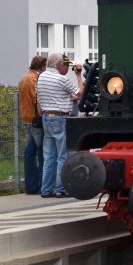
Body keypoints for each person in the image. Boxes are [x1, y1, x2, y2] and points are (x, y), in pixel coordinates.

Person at [36, 52, 83, 198]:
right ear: (59, 65)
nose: (67, 68)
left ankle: (46, 189)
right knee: (62, 156)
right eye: (66, 65)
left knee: (48, 156)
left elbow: (39, 99)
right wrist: (78, 75)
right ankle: (61, 188)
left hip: (46, 117)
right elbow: (80, 92)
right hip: (60, 118)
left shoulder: (42, 77)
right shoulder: (61, 79)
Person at [17, 55, 46, 195]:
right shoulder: (35, 79)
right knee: (42, 153)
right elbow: (37, 99)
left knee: (29, 153)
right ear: (41, 67)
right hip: (36, 120)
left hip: (26, 119)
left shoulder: (23, 78)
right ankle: (42, 185)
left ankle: (30, 186)